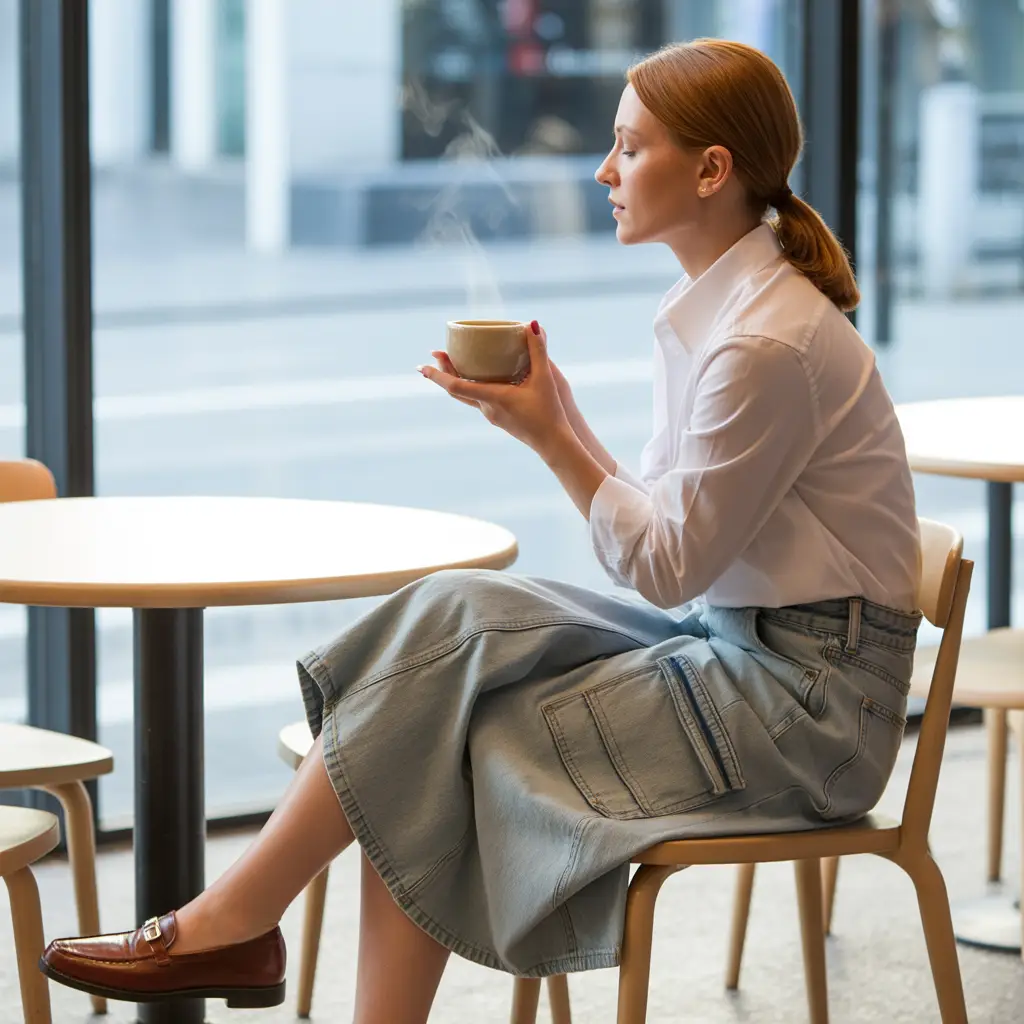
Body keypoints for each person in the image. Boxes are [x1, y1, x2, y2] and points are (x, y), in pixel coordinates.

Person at [40, 38, 922, 1023]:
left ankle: (234, 921)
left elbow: (668, 568)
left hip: (807, 714)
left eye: (628, 149)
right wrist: (560, 419)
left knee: (428, 739)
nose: (602, 171)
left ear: (711, 170)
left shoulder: (761, 342)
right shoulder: (727, 313)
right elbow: (675, 541)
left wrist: (552, 438)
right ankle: (238, 923)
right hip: (747, 652)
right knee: (450, 625)